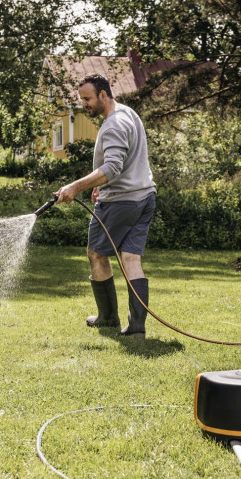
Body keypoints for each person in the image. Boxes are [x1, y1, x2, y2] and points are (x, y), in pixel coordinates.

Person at [55, 74, 156, 339]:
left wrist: (75, 186)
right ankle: (136, 327)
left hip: (121, 202)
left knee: (96, 253)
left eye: (87, 99)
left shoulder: (113, 125)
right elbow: (125, 161)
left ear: (103, 94)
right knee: (131, 258)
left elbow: (112, 167)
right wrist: (100, 185)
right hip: (145, 196)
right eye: (81, 99)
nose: (84, 104)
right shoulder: (128, 113)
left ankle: (108, 317)